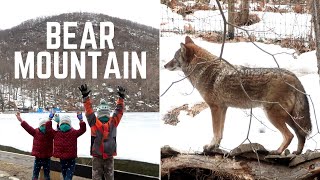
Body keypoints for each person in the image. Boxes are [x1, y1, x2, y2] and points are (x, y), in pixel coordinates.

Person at [78, 84, 125, 180]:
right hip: (105, 155)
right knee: (109, 177)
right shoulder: (112, 122)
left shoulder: (94, 122)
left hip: (99, 155)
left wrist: (85, 97)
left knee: (97, 177)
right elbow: (119, 110)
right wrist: (121, 98)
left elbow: (89, 110)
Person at [46, 112, 86, 180]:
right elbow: (83, 130)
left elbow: (48, 129)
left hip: (62, 158)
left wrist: (50, 118)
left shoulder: (56, 133)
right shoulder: (73, 133)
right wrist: (81, 120)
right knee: (68, 176)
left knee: (64, 174)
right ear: (70, 124)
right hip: (71, 158)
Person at [16, 112, 54, 180]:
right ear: (39, 126)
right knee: (35, 174)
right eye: (42, 125)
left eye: (45, 126)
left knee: (47, 175)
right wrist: (21, 120)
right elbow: (27, 128)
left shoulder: (50, 134)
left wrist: (50, 118)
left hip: (47, 158)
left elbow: (57, 132)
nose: (44, 127)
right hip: (38, 158)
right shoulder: (35, 132)